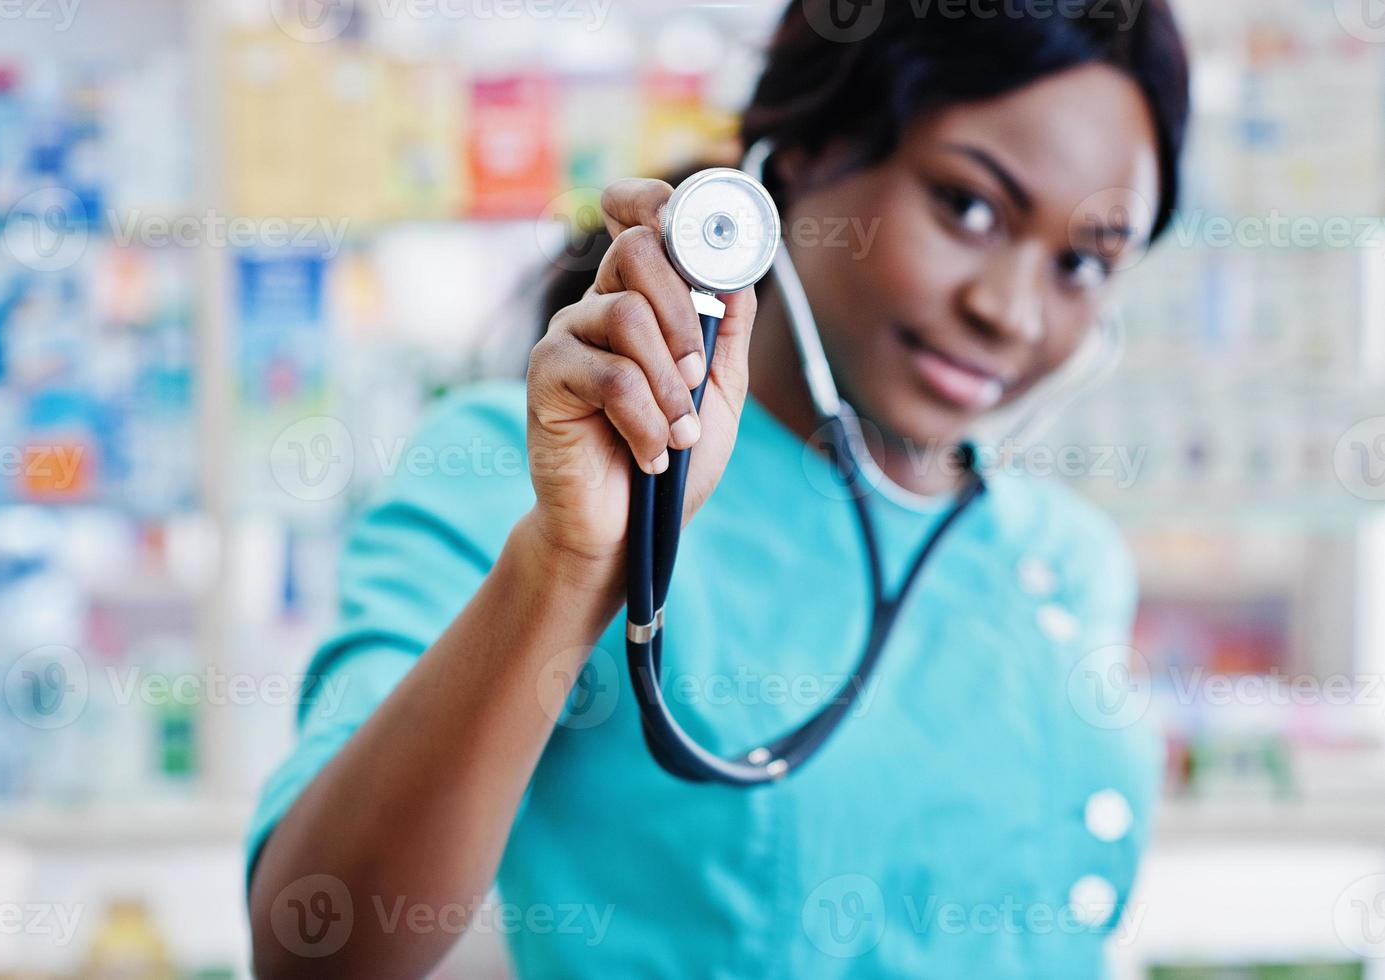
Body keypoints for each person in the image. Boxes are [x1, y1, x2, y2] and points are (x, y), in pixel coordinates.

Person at [246, 1, 1191, 976]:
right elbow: (315, 944)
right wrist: (568, 569)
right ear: (810, 149)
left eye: (1082, 261)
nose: (1009, 310)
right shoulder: (522, 476)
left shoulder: (1065, 553)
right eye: (969, 206)